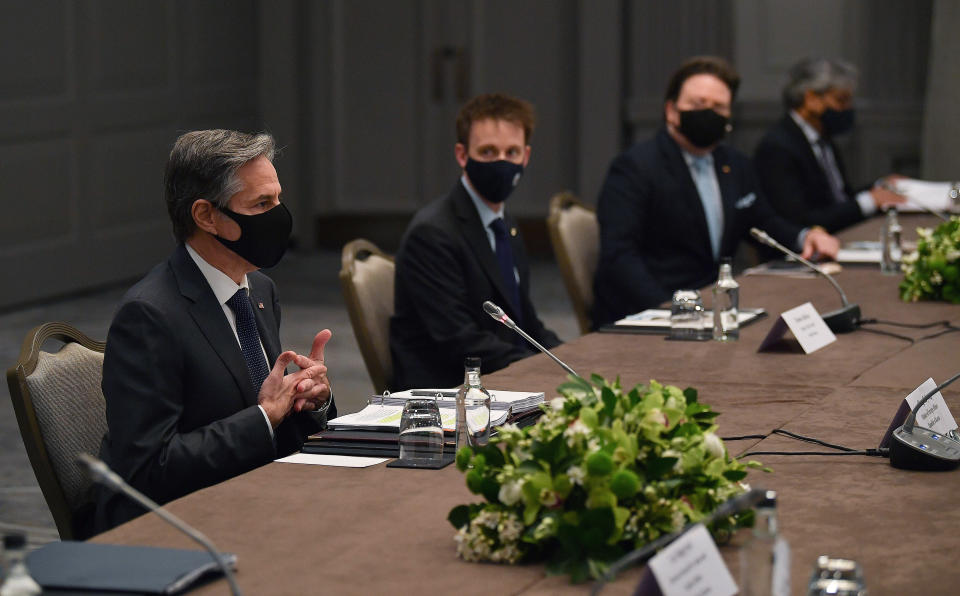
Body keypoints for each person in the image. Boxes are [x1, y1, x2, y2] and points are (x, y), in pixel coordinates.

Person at [94, 130, 336, 533]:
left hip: (257, 498)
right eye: (262, 204)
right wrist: (265, 416)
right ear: (206, 216)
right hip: (177, 526)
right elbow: (149, 469)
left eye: (278, 199)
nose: (280, 216)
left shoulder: (258, 289)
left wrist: (310, 399)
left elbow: (262, 404)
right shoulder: (149, 317)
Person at [592, 56, 840, 328]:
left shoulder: (735, 164)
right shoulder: (635, 167)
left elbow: (763, 223)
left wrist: (806, 236)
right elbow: (620, 257)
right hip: (651, 314)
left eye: (719, 107)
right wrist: (673, 311)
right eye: (698, 104)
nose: (709, 113)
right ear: (672, 111)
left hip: (713, 310)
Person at [391, 93, 561, 389]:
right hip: (451, 394)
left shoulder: (504, 224)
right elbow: (459, 339)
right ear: (462, 155)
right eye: (488, 152)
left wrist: (569, 357)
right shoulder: (432, 234)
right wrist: (540, 368)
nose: (501, 162)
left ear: (526, 156)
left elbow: (524, 322)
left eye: (512, 153)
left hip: (501, 379)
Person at [753, 57, 904, 233]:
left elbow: (839, 199)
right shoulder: (777, 147)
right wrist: (869, 200)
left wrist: (879, 187)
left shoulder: (823, 139)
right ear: (811, 99)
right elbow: (801, 220)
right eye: (841, 100)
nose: (848, 108)